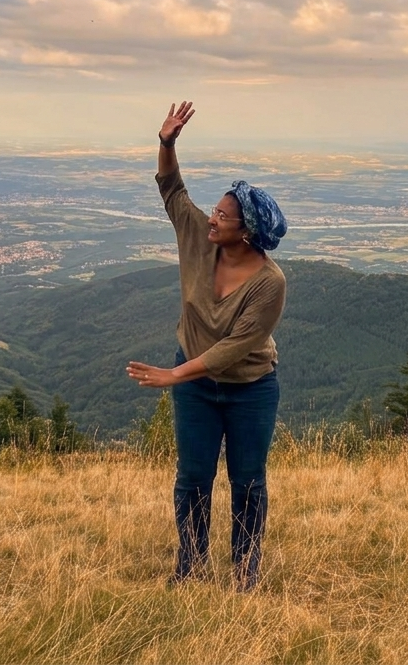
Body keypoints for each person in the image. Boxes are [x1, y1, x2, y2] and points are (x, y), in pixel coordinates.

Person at [126, 100, 288, 593]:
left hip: (249, 388)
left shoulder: (270, 282)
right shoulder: (199, 237)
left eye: (222, 216)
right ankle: (191, 566)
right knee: (193, 477)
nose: (211, 219)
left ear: (247, 233)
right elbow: (172, 190)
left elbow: (234, 349)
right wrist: (167, 143)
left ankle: (245, 572)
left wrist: (175, 376)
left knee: (248, 482)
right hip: (196, 387)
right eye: (214, 211)